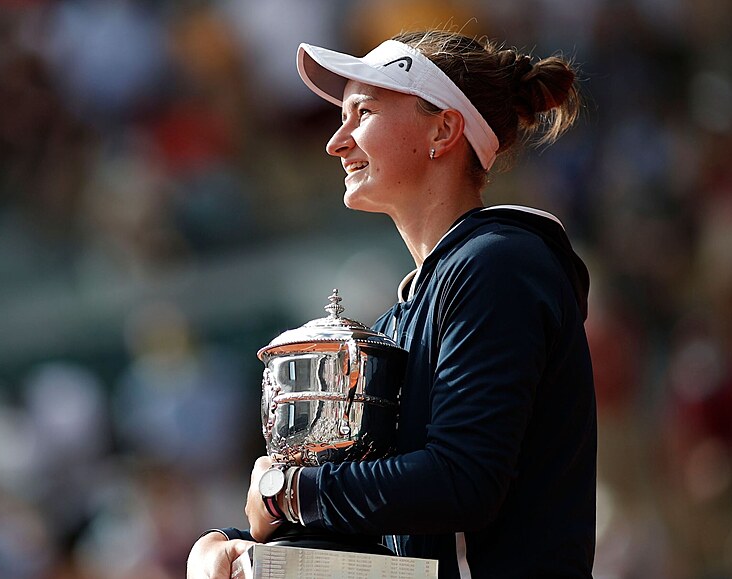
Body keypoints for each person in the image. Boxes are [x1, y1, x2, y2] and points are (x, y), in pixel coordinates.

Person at [187, 28, 596, 579]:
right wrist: (232, 545)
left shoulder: (499, 264)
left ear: (444, 128)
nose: (337, 141)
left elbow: (463, 482)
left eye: (363, 113)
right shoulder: (410, 309)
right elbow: (382, 521)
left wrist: (286, 490)